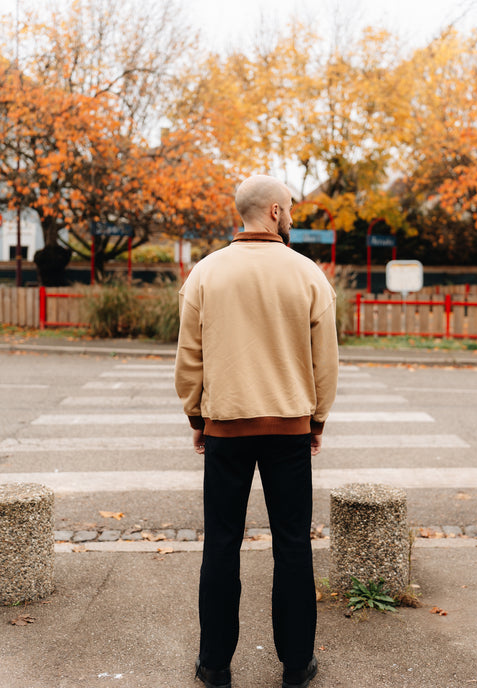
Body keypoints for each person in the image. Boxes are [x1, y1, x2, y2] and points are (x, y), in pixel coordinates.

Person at [175, 174, 338, 688]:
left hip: (226, 429)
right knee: (293, 544)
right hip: (288, 427)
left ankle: (215, 665)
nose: (290, 216)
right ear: (272, 212)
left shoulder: (205, 274)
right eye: (287, 208)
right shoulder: (308, 274)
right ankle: (295, 665)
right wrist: (316, 421)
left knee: (220, 544)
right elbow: (325, 362)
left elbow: (189, 358)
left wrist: (198, 418)